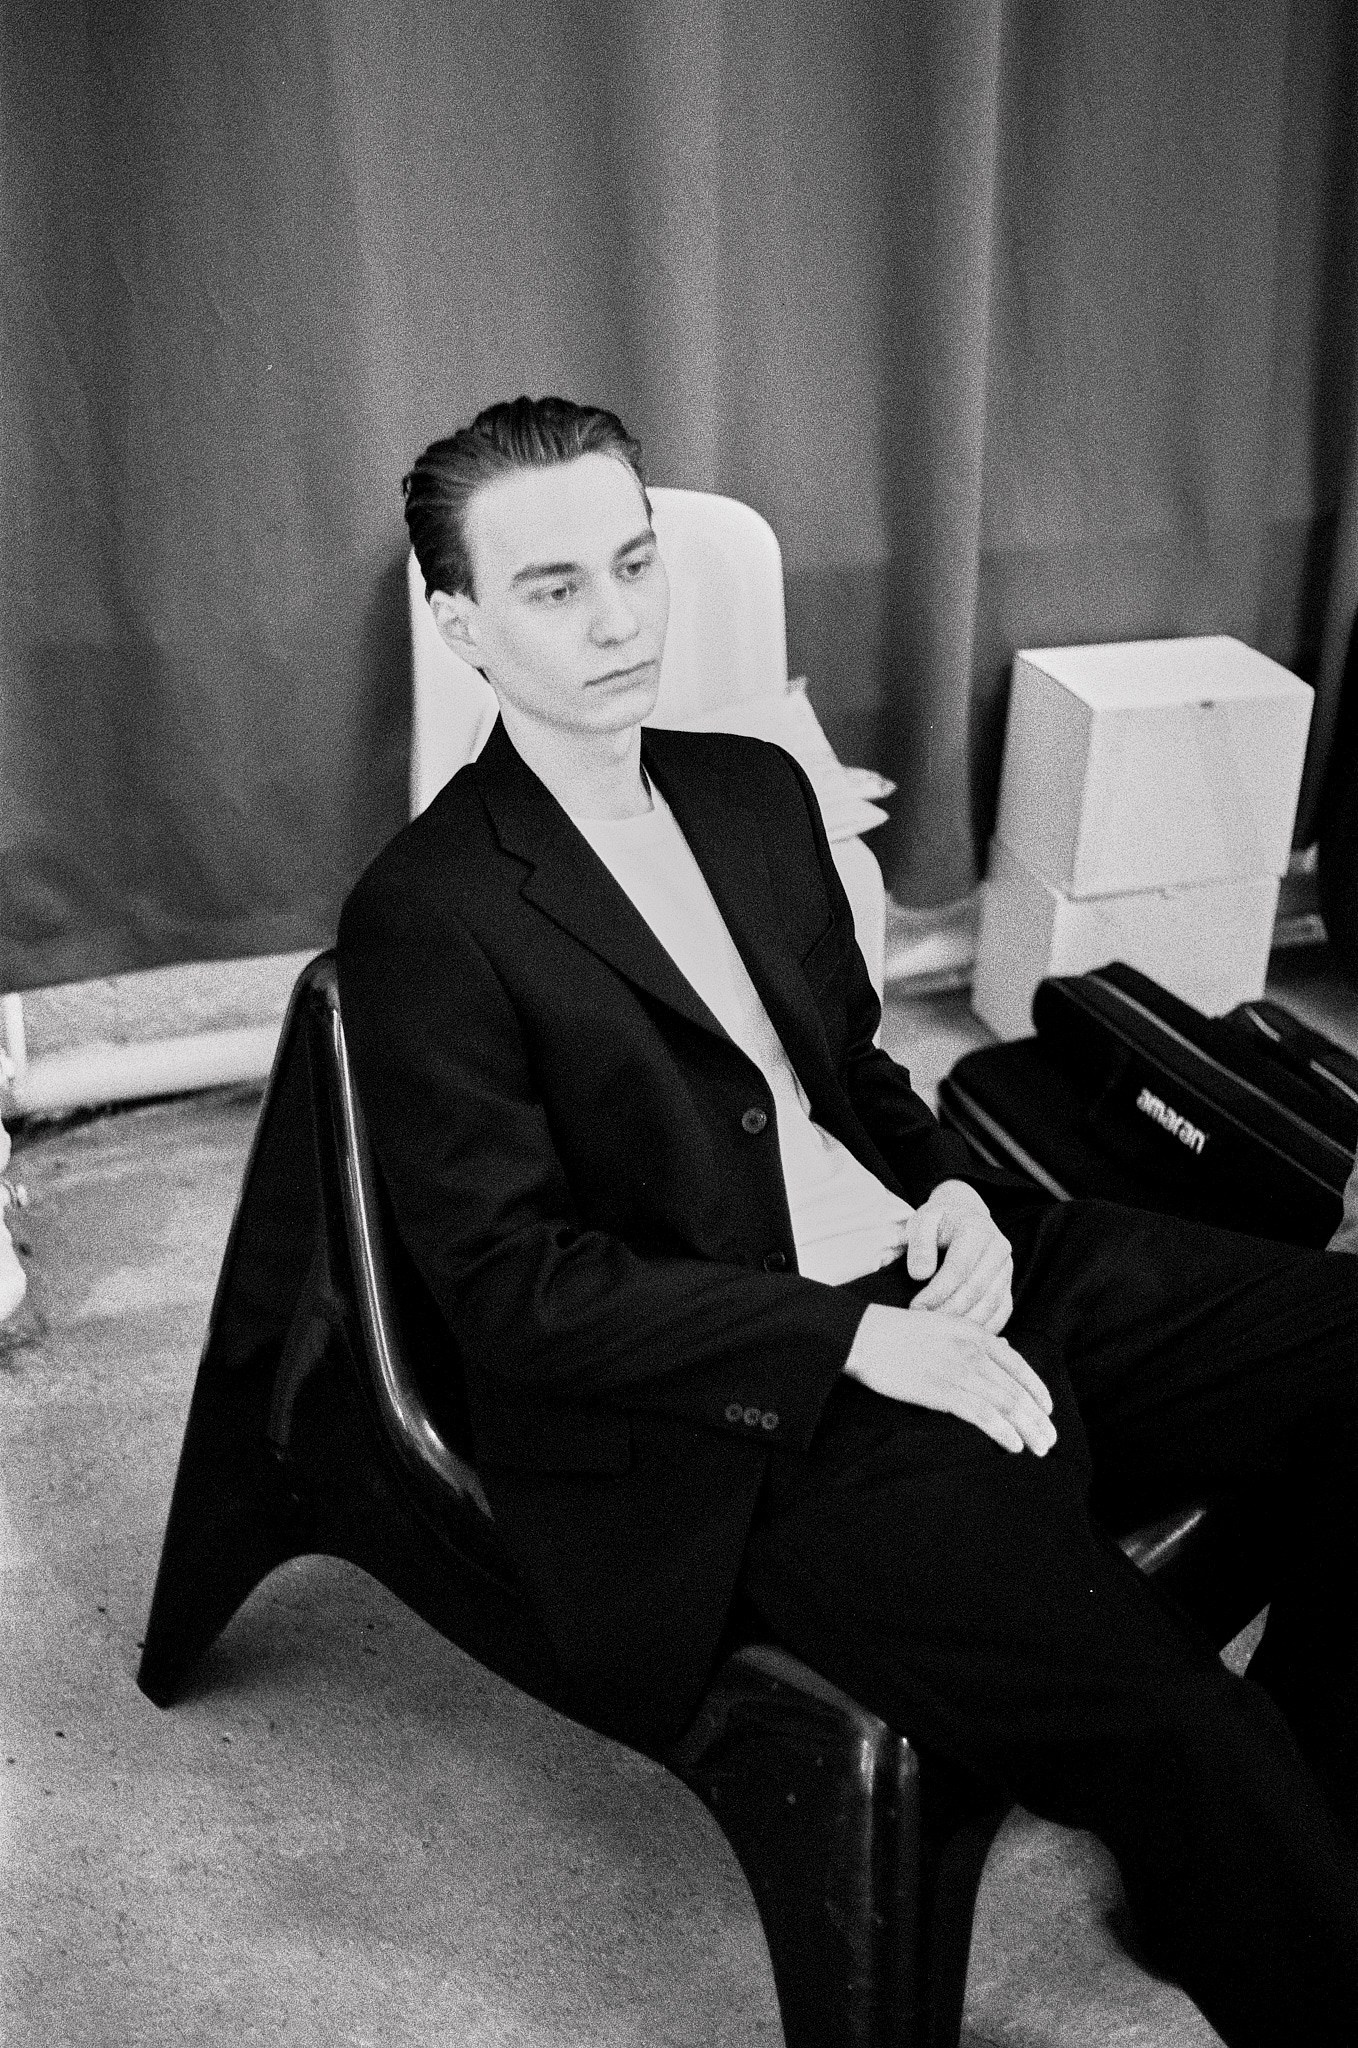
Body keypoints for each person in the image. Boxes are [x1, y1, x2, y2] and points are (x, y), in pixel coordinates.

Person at [337, 395, 1358, 2047]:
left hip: (936, 1268)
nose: (616, 620)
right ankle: (1256, 1856)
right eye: (551, 589)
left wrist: (949, 1188)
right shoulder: (426, 914)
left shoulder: (748, 791)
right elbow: (514, 1291)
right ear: (461, 626)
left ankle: (1264, 1855)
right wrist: (847, 1341)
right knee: (1177, 1725)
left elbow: (848, 1074)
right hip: (750, 1406)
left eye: (633, 564)